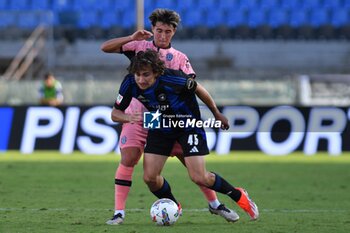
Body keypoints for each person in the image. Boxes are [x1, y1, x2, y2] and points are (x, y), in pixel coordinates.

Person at [102, 9, 238, 224]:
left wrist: (203, 115)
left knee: (190, 164)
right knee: (129, 158)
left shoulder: (180, 58)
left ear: (173, 32)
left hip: (166, 118)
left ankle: (215, 204)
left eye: (167, 31)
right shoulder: (139, 46)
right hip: (138, 114)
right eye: (158, 30)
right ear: (153, 29)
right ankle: (120, 213)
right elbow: (105, 48)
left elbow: (191, 87)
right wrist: (131, 37)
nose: (162, 35)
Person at [111, 50, 259, 223]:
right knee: (150, 178)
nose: (141, 79)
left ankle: (238, 195)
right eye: (138, 75)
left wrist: (217, 114)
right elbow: (115, 113)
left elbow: (199, 89)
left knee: (199, 176)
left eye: (146, 75)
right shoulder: (129, 82)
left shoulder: (174, 79)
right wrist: (129, 117)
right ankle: (174, 204)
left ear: (157, 73)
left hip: (187, 124)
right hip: (159, 124)